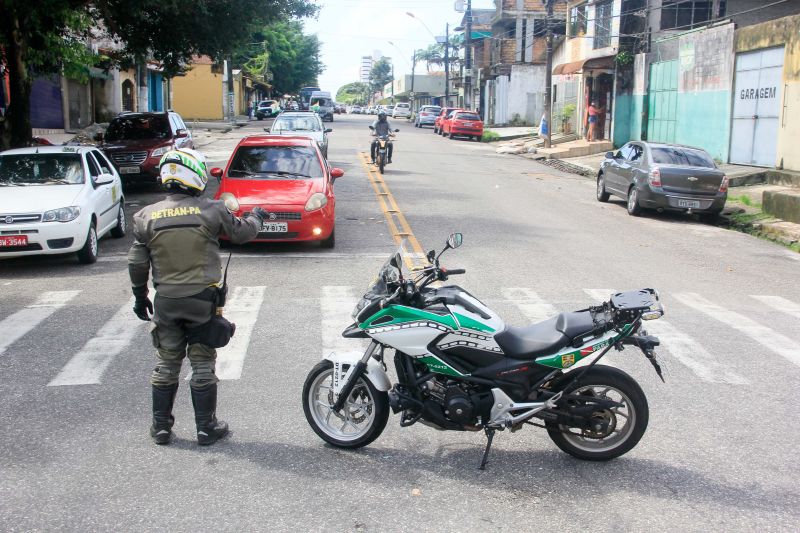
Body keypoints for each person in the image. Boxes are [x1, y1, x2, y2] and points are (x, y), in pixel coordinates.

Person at [127, 148, 268, 446]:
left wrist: (140, 297)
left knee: (167, 363)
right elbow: (242, 233)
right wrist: (257, 217)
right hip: (202, 301)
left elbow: (137, 263)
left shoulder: (145, 217)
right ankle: (206, 427)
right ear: (195, 176)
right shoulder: (212, 209)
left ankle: (161, 427)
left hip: (166, 300)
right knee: (202, 362)